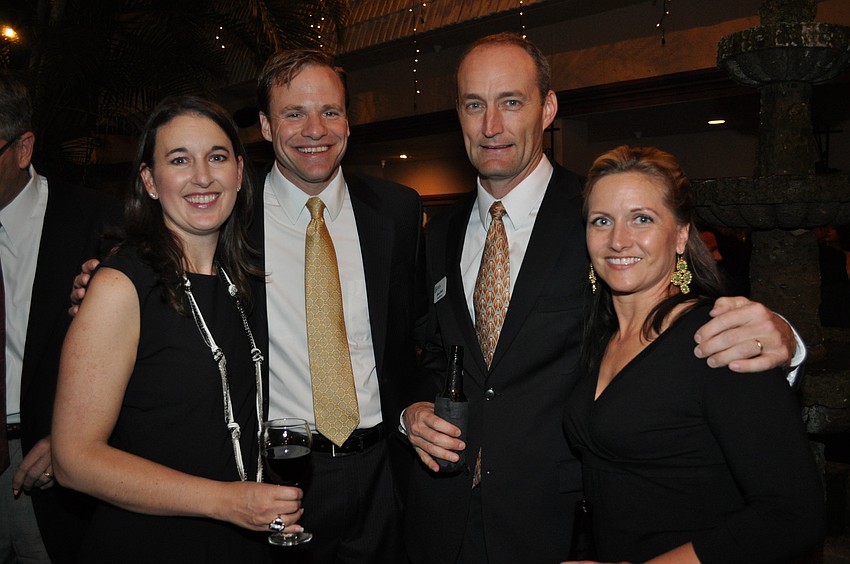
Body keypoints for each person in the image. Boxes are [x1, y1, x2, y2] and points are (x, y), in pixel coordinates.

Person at [401, 33, 804, 564]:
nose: (491, 125)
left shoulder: (597, 215)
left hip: (560, 524)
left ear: (548, 108)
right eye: (475, 104)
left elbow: (687, 322)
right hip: (442, 517)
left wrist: (786, 340)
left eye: (511, 102)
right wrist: (413, 411)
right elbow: (434, 351)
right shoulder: (437, 234)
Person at [70, 49, 423, 564]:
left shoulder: (398, 210)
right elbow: (157, 260)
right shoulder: (229, 213)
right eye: (293, 113)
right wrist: (98, 282)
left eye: (330, 111)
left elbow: (415, 335)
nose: (314, 129)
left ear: (349, 119)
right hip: (275, 478)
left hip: (382, 472)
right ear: (263, 125)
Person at [52, 96, 303, 563]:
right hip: (151, 543)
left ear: (239, 173)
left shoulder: (244, 283)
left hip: (243, 540)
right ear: (149, 180)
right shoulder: (119, 286)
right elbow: (73, 460)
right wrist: (224, 501)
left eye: (217, 157)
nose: (203, 177)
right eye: (180, 160)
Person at [562, 145, 825, 563]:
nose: (617, 240)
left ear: (681, 234)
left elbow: (793, 515)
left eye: (642, 219)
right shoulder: (601, 337)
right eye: (601, 221)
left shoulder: (719, 338)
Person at [0, 72, 121, 563]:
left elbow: (136, 360)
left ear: (23, 148)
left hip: (47, 473)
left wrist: (70, 438)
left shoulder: (97, 223)